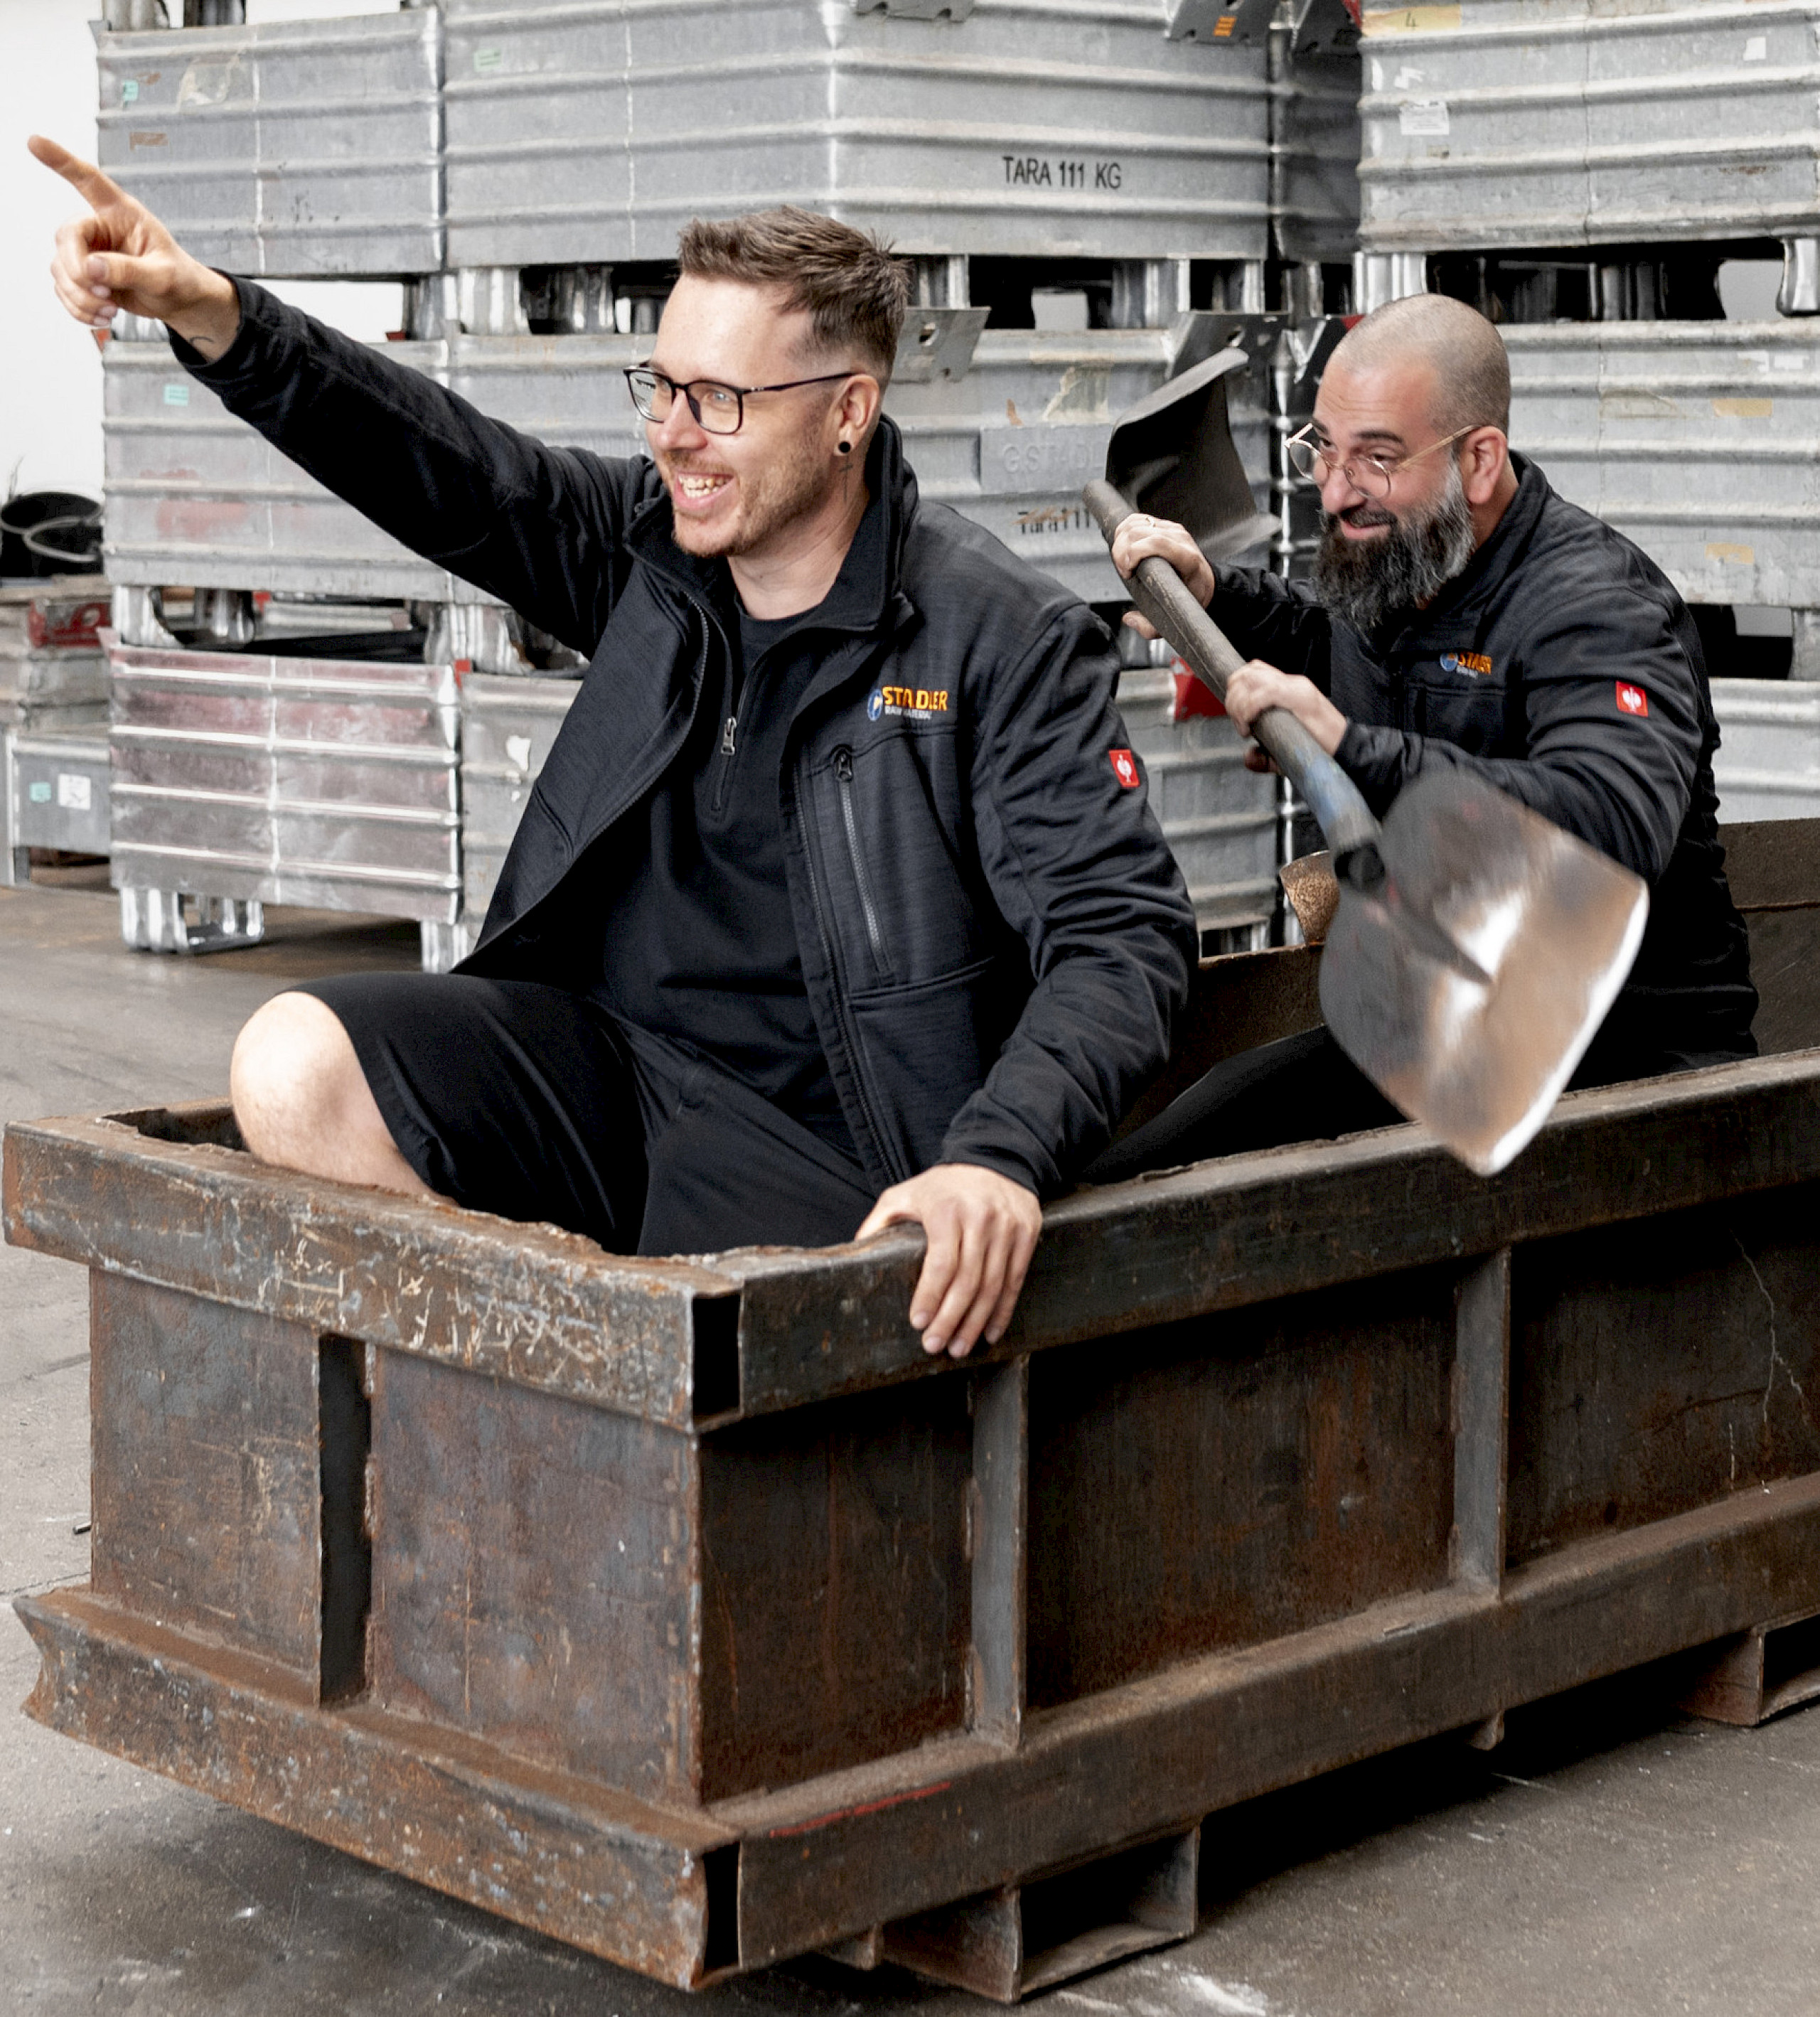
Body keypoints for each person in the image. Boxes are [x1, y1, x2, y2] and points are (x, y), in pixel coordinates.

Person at [33, 135, 1199, 1360]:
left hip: (818, 1151)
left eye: (721, 401)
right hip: (608, 1071)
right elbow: (444, 463)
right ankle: (518, 1377)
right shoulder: (655, 555)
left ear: (849, 411)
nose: (674, 437)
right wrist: (214, 313)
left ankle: (557, 1396)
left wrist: (993, 1160)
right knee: (289, 1065)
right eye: (661, 385)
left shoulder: (992, 639)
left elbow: (1123, 936)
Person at [1093, 290, 1756, 1180]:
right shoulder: (1406, 560)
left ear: (1479, 460)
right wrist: (1218, 596)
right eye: (1322, 448)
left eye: (1377, 458)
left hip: (1628, 1073)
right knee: (1151, 1169)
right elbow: (1332, 637)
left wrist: (1358, 752)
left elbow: (1611, 824)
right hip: (1449, 1026)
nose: (1334, 490)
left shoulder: (1597, 608)